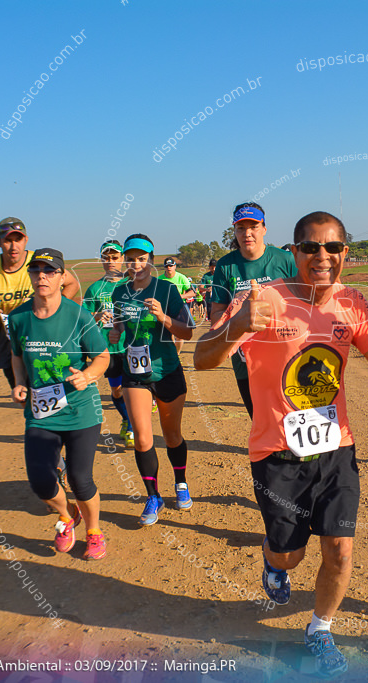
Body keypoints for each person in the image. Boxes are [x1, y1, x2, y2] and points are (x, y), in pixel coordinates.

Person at [194, 211, 368, 678]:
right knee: (289, 553)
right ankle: (275, 564)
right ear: (293, 252)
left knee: (340, 549)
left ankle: (320, 628)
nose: (322, 256)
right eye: (310, 247)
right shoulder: (264, 298)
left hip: (336, 447)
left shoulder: (352, 302)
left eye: (332, 248)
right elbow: (202, 359)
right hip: (277, 452)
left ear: (344, 254)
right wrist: (240, 326)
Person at [8, 249, 110, 560]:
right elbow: (16, 354)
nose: (42, 275)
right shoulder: (19, 317)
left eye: (50, 270)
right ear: (30, 275)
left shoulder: (77, 315)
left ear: (62, 276)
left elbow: (102, 357)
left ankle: (94, 531)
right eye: (36, 269)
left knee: (80, 479)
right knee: (40, 481)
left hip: (80, 410)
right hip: (40, 414)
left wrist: (88, 376)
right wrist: (19, 382)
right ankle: (67, 518)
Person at [110, 234, 196, 525]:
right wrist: (116, 331)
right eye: (131, 258)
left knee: (171, 435)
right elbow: (120, 323)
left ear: (151, 259)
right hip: (135, 373)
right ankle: (153, 496)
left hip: (167, 370)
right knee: (143, 439)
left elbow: (187, 332)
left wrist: (163, 318)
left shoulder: (168, 290)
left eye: (142, 258)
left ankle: (181, 483)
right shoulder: (119, 293)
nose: (137, 263)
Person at [0, 217, 80, 388]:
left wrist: (55, 309)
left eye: (18, 239)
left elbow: (72, 284)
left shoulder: (40, 262)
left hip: (44, 334)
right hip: (9, 340)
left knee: (54, 388)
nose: (13, 246)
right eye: (7, 241)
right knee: (23, 394)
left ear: (25, 240)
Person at [209, 202, 297, 418]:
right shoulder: (225, 266)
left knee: (292, 418)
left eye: (253, 226)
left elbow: (305, 305)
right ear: (235, 231)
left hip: (286, 354)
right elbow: (216, 317)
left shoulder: (285, 260)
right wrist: (237, 308)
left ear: (264, 229)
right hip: (245, 362)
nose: (247, 233)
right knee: (260, 419)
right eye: (240, 228)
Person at [82, 240, 135, 448]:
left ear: (122, 259)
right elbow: (84, 319)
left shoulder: (131, 283)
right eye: (106, 258)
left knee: (133, 387)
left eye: (115, 257)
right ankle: (125, 419)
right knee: (117, 390)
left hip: (131, 344)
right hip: (108, 347)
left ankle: (132, 427)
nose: (111, 262)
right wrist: (97, 315)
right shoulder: (95, 288)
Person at [159, 257, 196, 354]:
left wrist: (181, 296)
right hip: (165, 309)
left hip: (178, 308)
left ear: (175, 266)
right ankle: (172, 353)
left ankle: (177, 353)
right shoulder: (159, 279)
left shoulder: (182, 278)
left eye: (171, 266)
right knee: (169, 333)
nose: (169, 268)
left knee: (179, 335)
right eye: (167, 266)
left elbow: (192, 293)